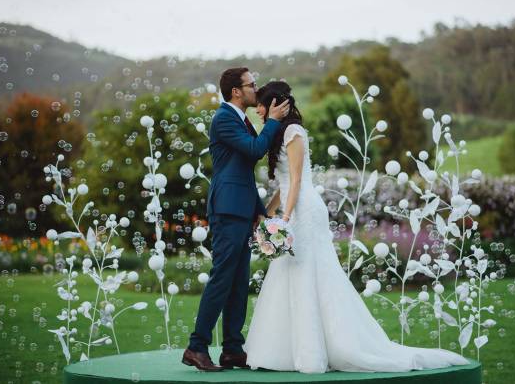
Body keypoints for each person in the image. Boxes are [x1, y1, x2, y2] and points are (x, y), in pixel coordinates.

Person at [243, 81, 470, 373]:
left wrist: (284, 220)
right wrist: (266, 215)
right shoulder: (275, 133)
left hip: (304, 210)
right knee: (286, 271)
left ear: (275, 103)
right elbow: (283, 185)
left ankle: (319, 350)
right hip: (289, 207)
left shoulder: (293, 132)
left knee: (309, 270)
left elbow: (298, 181)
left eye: (261, 103)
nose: (258, 109)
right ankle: (286, 350)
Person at [182, 68, 289, 371]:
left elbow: (243, 172)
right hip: (228, 209)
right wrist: (272, 122)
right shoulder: (224, 118)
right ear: (236, 92)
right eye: (251, 85)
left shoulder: (241, 119)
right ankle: (196, 347)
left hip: (242, 207)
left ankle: (232, 350)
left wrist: (260, 210)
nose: (256, 88)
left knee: (239, 282)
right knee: (222, 278)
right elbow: (255, 151)